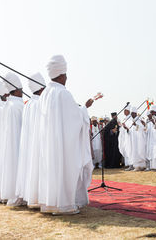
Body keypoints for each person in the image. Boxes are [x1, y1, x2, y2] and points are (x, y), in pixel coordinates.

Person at [38, 55, 94, 215]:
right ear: (62, 75)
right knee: (65, 170)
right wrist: (85, 108)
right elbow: (75, 119)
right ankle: (65, 205)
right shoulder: (63, 94)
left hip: (50, 143)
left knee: (52, 171)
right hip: (63, 144)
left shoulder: (45, 94)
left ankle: (52, 203)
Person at [16, 72, 46, 207]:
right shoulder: (40, 103)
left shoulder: (28, 104)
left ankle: (33, 197)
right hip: (40, 144)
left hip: (30, 145)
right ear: (41, 88)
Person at [0, 72, 25, 206]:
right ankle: (18, 195)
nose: (22, 93)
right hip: (18, 142)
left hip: (10, 143)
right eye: (21, 90)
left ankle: (13, 196)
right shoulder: (18, 105)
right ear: (15, 91)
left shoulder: (8, 106)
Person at [119, 106, 133, 170]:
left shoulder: (130, 118)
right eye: (124, 110)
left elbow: (130, 128)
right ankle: (127, 164)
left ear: (129, 111)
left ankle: (131, 165)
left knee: (129, 150)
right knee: (126, 150)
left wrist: (126, 128)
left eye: (126, 110)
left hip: (129, 137)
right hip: (124, 137)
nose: (124, 112)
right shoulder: (124, 118)